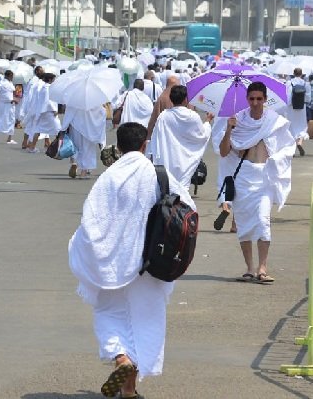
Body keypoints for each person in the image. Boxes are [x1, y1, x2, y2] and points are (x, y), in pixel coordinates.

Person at [69, 122, 195, 398]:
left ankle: (120, 359)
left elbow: (91, 220)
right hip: (152, 262)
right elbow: (189, 209)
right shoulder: (159, 175)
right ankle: (129, 388)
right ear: (144, 144)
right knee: (144, 320)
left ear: (119, 146)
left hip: (110, 264)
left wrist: (91, 251)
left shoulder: (109, 177)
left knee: (108, 313)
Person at [219, 81, 295, 284]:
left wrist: (275, 159)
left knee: (263, 221)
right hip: (243, 177)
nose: (255, 103)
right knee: (243, 225)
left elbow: (288, 147)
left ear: (265, 99)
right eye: (251, 99)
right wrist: (228, 129)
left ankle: (263, 267)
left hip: (264, 177)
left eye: (259, 99)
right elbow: (224, 152)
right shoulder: (238, 120)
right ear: (247, 99)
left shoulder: (274, 121)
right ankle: (250, 268)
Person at [149, 85, 213, 189]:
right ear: (185, 99)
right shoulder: (192, 116)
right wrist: (208, 121)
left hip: (168, 158)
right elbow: (202, 136)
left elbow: (156, 137)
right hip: (186, 160)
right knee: (182, 189)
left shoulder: (164, 116)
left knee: (168, 189)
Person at [62, 103, 107, 179]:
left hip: (76, 126)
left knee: (75, 146)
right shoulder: (94, 98)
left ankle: (74, 162)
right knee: (87, 149)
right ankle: (83, 172)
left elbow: (69, 113)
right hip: (89, 127)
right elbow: (102, 112)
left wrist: (63, 128)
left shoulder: (74, 97)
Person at [25, 72, 60, 152]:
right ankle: (59, 148)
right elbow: (48, 101)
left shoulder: (43, 87)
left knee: (38, 129)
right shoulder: (48, 88)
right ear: (50, 80)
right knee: (58, 129)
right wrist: (54, 109)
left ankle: (32, 147)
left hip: (42, 112)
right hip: (48, 112)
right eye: (54, 79)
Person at [284, 67, 310, 156]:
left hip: (292, 108)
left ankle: (292, 149)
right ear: (301, 74)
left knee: (292, 127)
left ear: (293, 74)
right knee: (302, 126)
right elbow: (308, 98)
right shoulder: (306, 83)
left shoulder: (289, 82)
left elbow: (288, 96)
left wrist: (289, 105)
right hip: (302, 107)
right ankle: (299, 142)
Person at [146, 74, 180, 139]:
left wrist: (148, 137)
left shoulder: (162, 97)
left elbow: (154, 119)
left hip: (163, 133)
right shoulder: (182, 97)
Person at [0, 69, 18, 144]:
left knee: (11, 120)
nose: (13, 78)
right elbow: (5, 96)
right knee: (2, 121)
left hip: (8, 105)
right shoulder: (4, 84)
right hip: (6, 105)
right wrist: (12, 100)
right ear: (9, 76)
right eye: (12, 76)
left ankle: (9, 138)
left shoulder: (5, 83)